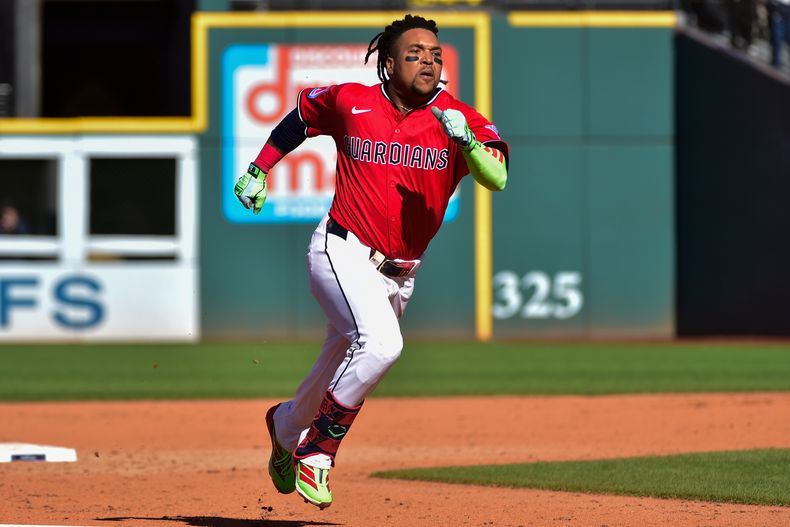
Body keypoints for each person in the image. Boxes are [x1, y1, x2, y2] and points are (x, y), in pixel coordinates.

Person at [233, 14, 509, 510]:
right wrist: (259, 167)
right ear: (387, 64)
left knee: (340, 364)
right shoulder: (351, 101)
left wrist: (466, 141)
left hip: (401, 275)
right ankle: (317, 452)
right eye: (414, 53)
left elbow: (498, 177)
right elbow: (300, 116)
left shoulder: (457, 118)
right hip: (341, 247)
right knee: (381, 346)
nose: (428, 60)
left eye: (435, 54)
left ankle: (287, 424)